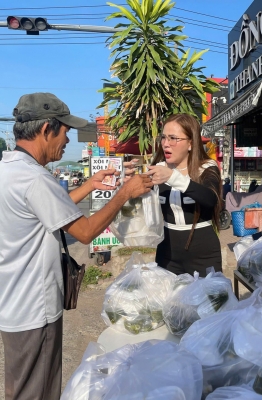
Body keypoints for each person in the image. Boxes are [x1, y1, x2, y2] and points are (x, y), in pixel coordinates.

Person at [0, 93, 153, 400]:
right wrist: (124, 193)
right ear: (46, 130)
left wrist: (91, 185)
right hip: (34, 310)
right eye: (65, 131)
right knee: (36, 393)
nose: (68, 140)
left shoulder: (10, 169)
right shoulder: (34, 179)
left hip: (13, 304)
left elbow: (52, 212)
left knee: (22, 387)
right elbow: (83, 232)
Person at [141, 113, 222, 277]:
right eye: (163, 138)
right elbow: (140, 207)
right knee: (170, 301)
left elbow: (210, 198)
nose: (166, 144)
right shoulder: (158, 168)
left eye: (173, 138)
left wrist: (172, 177)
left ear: (191, 143)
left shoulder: (207, 167)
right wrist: (126, 184)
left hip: (203, 251)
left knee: (208, 301)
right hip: (167, 251)